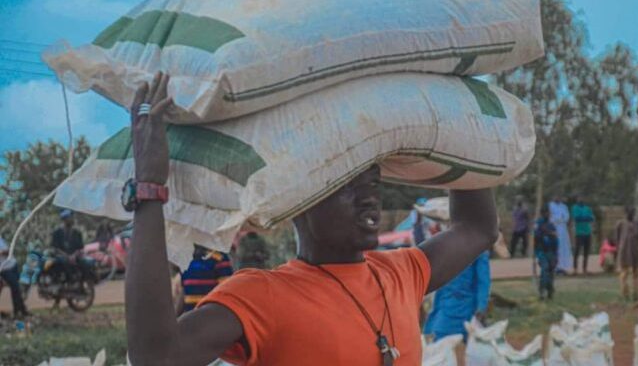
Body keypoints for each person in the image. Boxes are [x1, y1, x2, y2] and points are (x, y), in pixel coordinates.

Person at [125, 72, 498, 366]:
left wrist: (459, 110)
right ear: (300, 201)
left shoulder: (401, 273)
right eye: (347, 186)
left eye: (373, 182)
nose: (371, 199)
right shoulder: (263, 297)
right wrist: (150, 187)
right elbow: (157, 357)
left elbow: (477, 228)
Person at [423, 251, 490, 342]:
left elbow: (483, 281)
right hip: (447, 304)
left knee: (474, 342)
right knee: (438, 338)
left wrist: (481, 306)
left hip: (468, 306)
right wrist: (435, 309)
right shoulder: (447, 246)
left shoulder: (478, 249)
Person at [179, 246, 234, 314]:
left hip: (211, 315)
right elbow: (183, 292)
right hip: (190, 315)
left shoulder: (220, 257)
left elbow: (226, 292)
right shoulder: (186, 257)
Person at [616, 206, 638, 302]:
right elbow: (618, 238)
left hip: (635, 250)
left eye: (633, 213)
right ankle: (624, 293)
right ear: (625, 213)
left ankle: (636, 293)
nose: (631, 214)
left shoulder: (637, 223)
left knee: (636, 272)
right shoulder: (621, 224)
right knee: (624, 272)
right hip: (624, 250)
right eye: (629, 213)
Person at [0, 236, 30, 318]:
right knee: (15, 288)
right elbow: (7, 251)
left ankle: (22, 310)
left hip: (12, 265)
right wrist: (4, 252)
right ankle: (18, 312)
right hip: (5, 269)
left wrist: (5, 251)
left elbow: (7, 250)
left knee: (17, 289)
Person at [534, 205, 559, 300]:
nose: (547, 215)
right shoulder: (538, 224)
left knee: (551, 271)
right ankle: (542, 291)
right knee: (545, 269)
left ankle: (550, 291)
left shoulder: (551, 224)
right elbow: (536, 236)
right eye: (546, 213)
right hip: (542, 251)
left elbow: (555, 238)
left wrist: (556, 254)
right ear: (542, 214)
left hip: (552, 251)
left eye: (548, 213)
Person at [571, 197, 595, 274]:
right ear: (577, 200)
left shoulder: (587, 208)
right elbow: (576, 218)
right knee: (577, 251)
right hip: (579, 232)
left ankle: (585, 269)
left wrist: (583, 217)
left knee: (586, 251)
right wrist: (586, 218)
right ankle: (575, 269)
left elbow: (592, 218)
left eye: (582, 199)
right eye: (579, 199)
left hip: (587, 232)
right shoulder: (575, 207)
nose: (581, 200)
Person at [549, 196, 572, 274]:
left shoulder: (564, 206)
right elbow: (550, 217)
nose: (558, 198)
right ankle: (555, 267)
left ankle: (562, 267)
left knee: (563, 248)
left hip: (563, 229)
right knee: (555, 247)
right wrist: (557, 219)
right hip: (554, 229)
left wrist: (561, 219)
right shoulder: (550, 206)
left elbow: (567, 217)